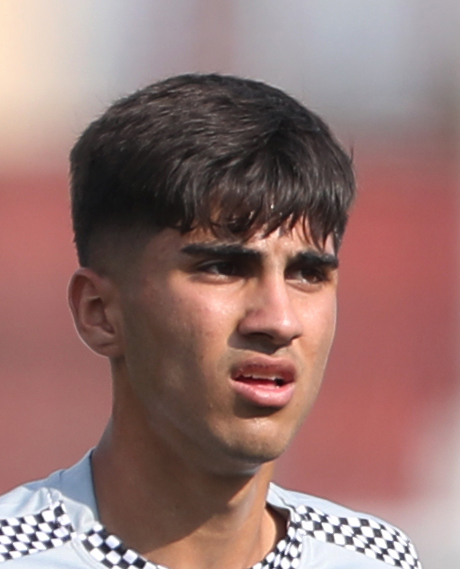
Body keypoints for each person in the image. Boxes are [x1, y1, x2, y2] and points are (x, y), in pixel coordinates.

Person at [0, 74, 421, 569]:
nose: (279, 320)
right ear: (99, 312)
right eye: (223, 268)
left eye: (307, 274)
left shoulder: (375, 557)